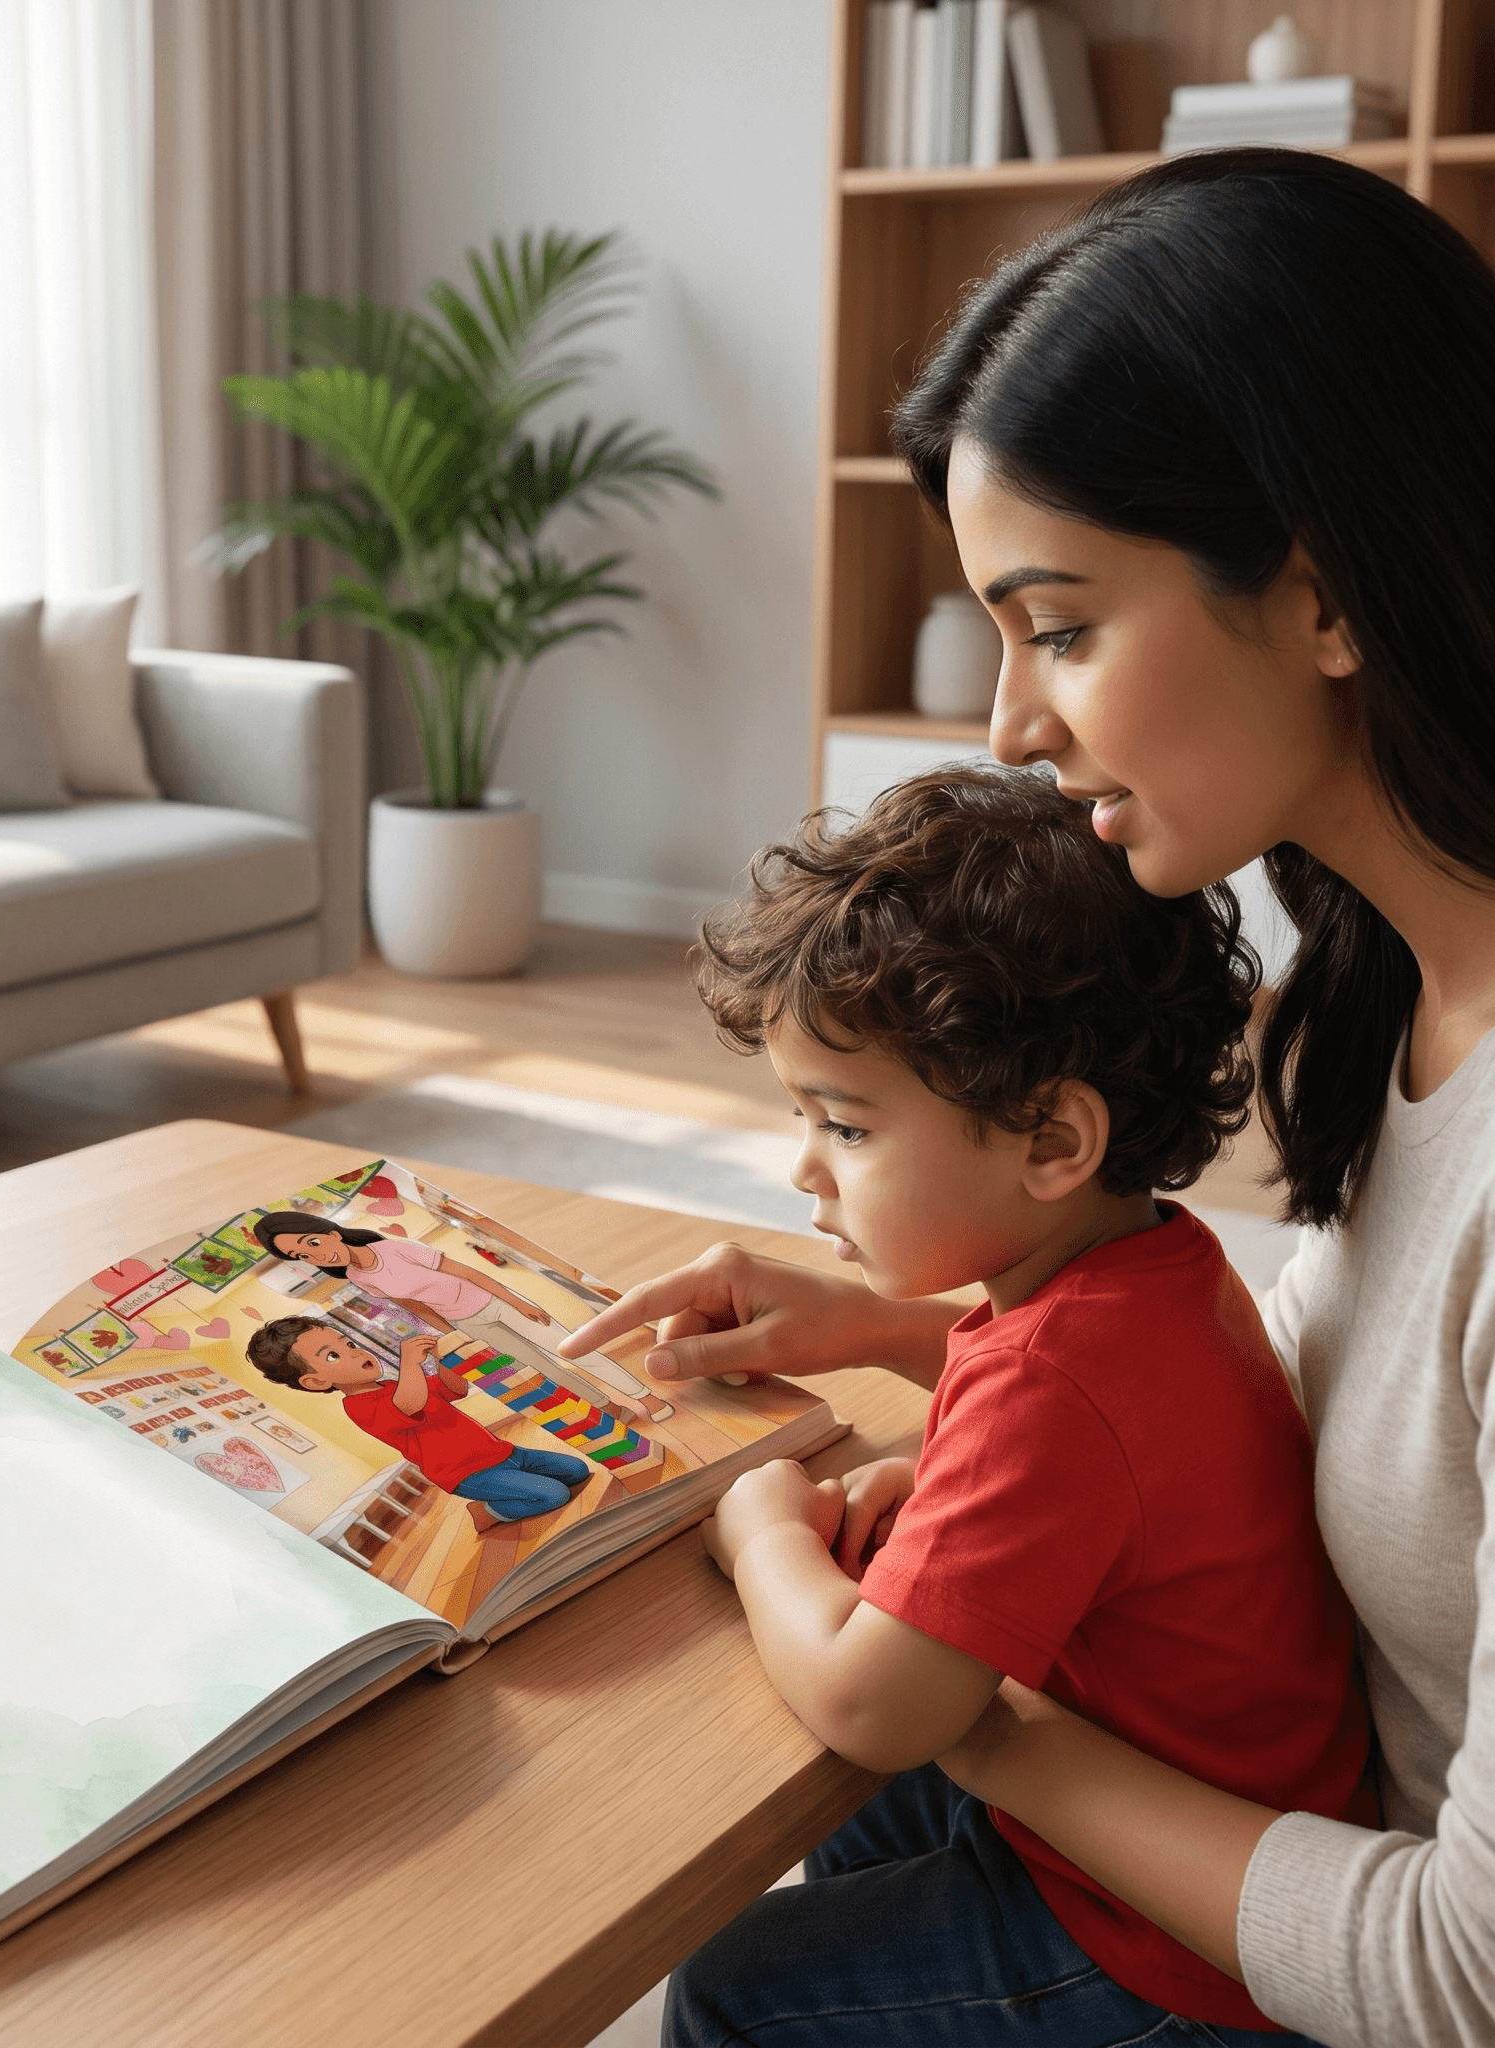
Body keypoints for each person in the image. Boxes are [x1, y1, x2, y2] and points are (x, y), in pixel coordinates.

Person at [564, 148, 1495, 2046]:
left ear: (1319, 593)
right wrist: (909, 1322)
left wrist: (997, 1725)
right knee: (820, 1811)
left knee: (752, 1951)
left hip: (1344, 1944)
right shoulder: (1392, 980)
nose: (1008, 722)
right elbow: (1320, 1365)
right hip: (1280, 1798)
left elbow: (1454, 1977)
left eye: (1057, 623)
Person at [670, 763, 1363, 2041]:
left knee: (735, 1986)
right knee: (863, 1816)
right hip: (1208, 1781)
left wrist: (760, 1533)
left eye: (847, 1127)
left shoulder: (1047, 1380)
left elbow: (875, 1704)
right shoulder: (1157, 1263)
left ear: (1052, 1142)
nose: (803, 1170)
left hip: (1166, 1948)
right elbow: (1087, 1465)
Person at [249, 1211, 673, 1423]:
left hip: (497, 1303)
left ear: (330, 1232)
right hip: (469, 1324)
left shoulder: (392, 1248)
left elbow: (465, 1271)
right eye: (301, 1255)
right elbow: (413, 1306)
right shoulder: (359, 1276)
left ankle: (646, 1399)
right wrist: (452, 1334)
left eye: (311, 1242)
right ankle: (608, 1408)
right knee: (541, 1368)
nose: (314, 1254)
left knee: (572, 1349)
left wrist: (518, 1301)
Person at [245, 1316, 589, 1522]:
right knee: (552, 1495)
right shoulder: (360, 1407)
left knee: (575, 1471)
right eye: (334, 1355)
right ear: (317, 1381)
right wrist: (409, 1361)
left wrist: (446, 1359)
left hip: (503, 1452)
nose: (354, 1351)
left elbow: (453, 1390)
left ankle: (514, 1483)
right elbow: (409, 1404)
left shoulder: (392, 1385)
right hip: (466, 1473)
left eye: (348, 1342)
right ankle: (488, 1512)